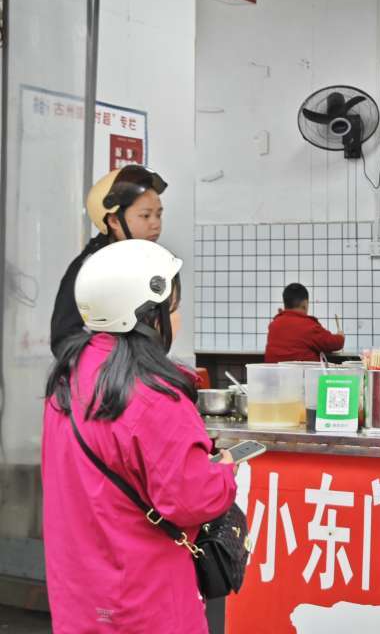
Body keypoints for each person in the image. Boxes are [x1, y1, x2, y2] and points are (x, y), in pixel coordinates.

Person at [43, 239, 237, 634]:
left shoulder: (68, 377)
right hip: (145, 603)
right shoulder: (153, 395)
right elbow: (192, 498)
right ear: (149, 315)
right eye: (173, 308)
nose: (177, 319)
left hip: (79, 598)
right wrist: (224, 471)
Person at [50, 165, 167, 357]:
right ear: (114, 221)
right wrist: (108, 367)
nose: (155, 223)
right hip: (105, 374)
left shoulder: (143, 262)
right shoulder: (90, 269)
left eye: (158, 215)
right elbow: (64, 339)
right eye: (145, 215)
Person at [264, 282, 345, 362]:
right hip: (303, 371)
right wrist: (340, 337)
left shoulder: (274, 325)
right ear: (305, 304)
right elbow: (333, 344)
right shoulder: (309, 326)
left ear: (285, 304)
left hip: (274, 370)